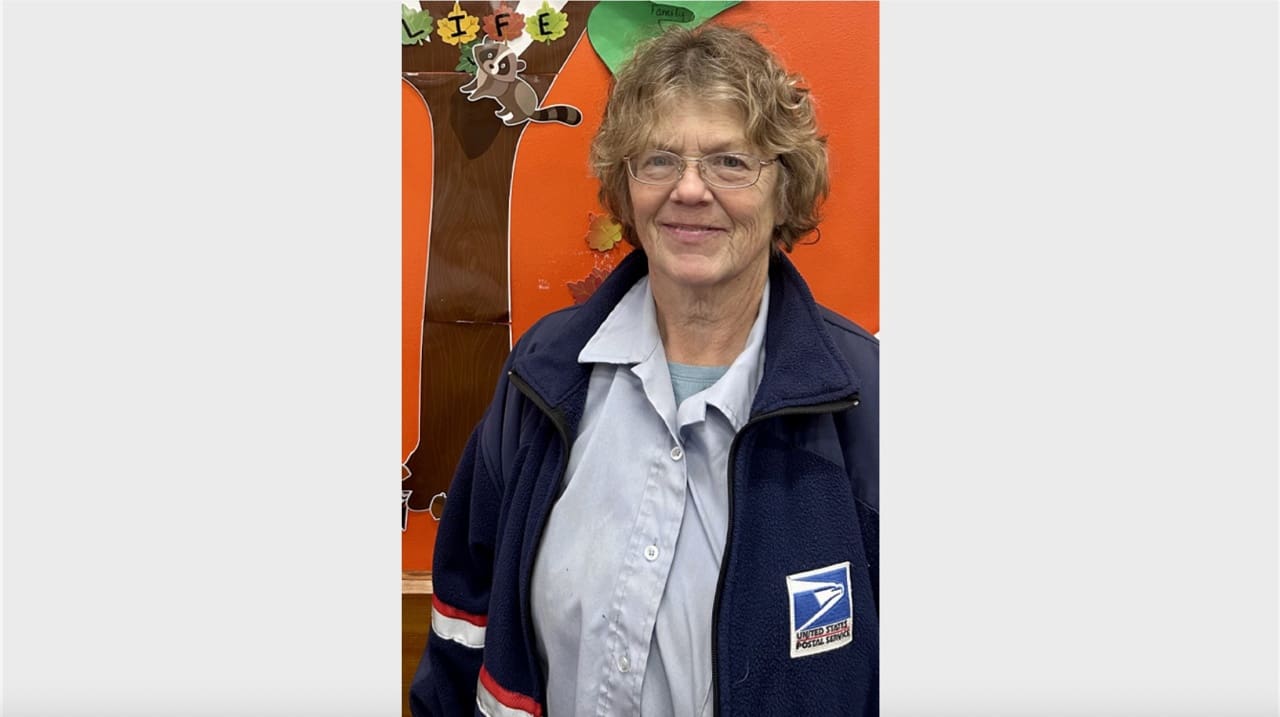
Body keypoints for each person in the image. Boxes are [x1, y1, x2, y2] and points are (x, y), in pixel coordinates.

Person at [410, 24, 878, 717]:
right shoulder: (542, 375)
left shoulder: (868, 399)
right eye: (658, 159)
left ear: (785, 187)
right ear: (626, 187)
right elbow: (463, 626)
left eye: (730, 161)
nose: (689, 189)